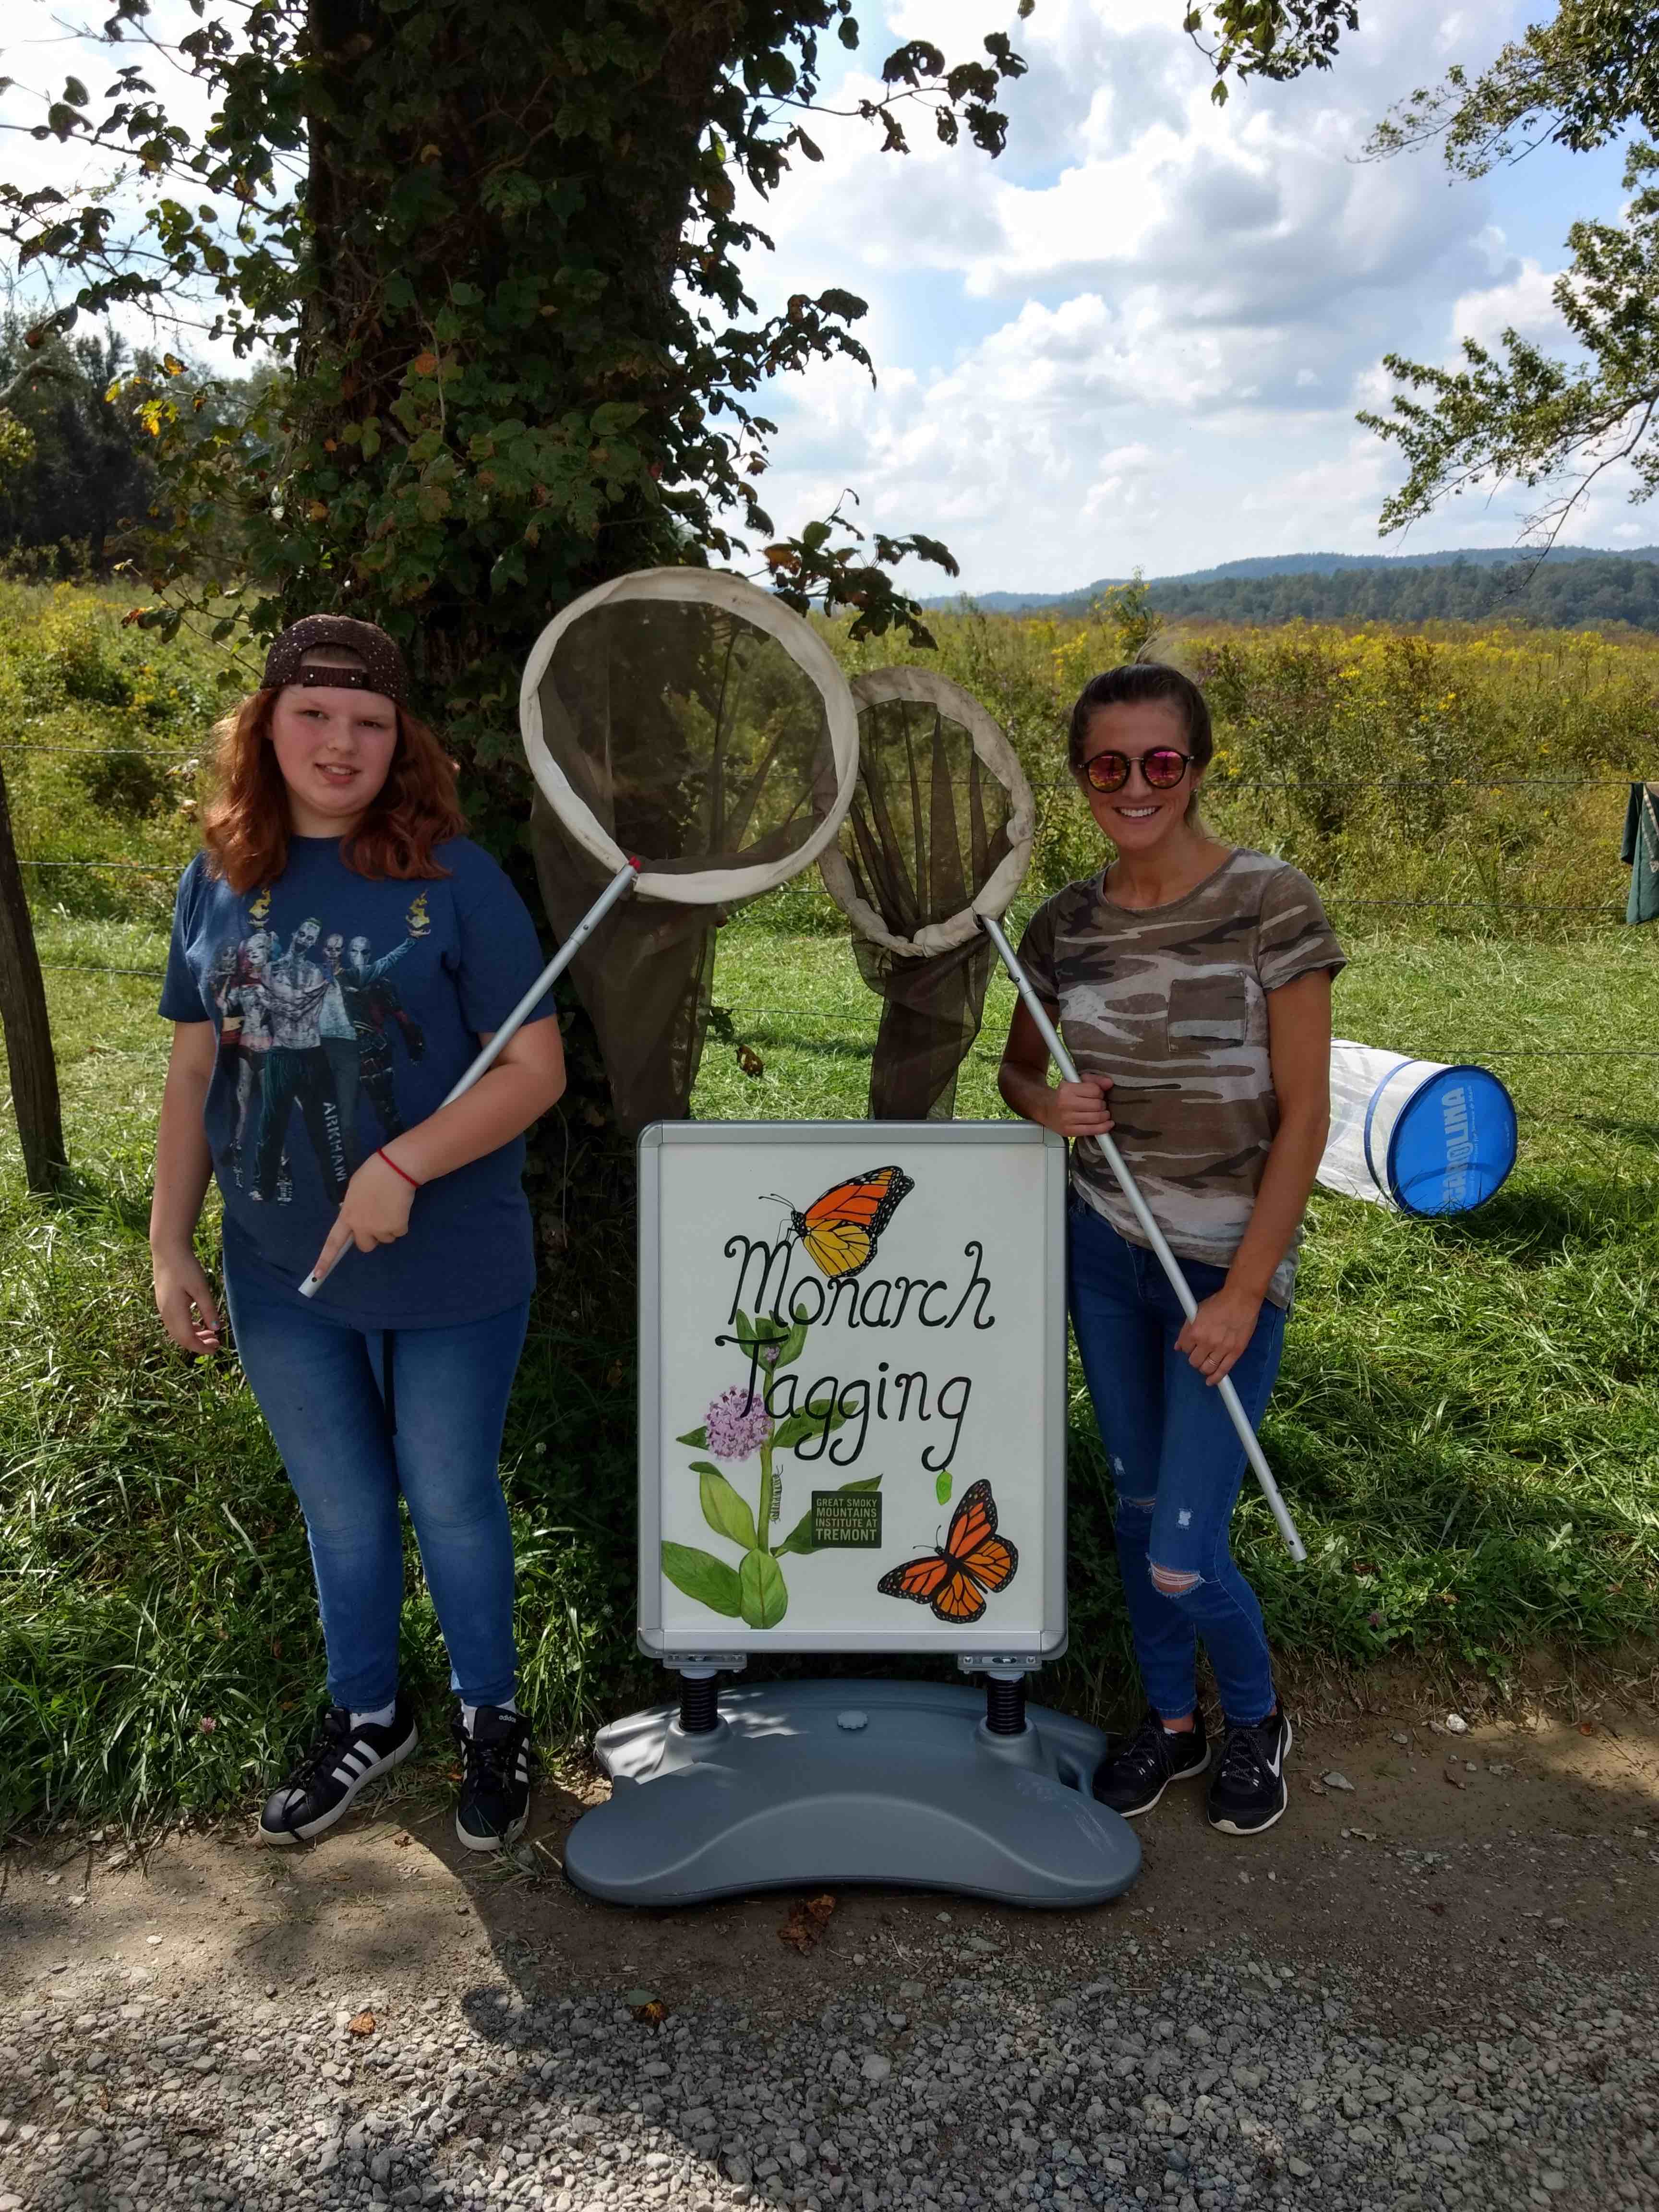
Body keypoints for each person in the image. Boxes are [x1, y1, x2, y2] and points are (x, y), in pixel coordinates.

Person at [149, 614, 567, 1853]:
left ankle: (494, 1719)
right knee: (340, 1510)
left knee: (448, 1499)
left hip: (451, 1262)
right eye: (315, 716)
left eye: (371, 723)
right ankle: (368, 1717)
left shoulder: (456, 879)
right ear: (266, 727)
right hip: (279, 1268)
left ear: (403, 743)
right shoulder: (218, 875)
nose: (342, 743)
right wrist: (170, 1246)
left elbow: (533, 1068)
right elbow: (190, 1076)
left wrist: (404, 1161)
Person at [998, 662, 1342, 1838]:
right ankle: (1172, 1722)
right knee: (1140, 1514)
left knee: (1186, 1552)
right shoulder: (1063, 925)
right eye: (1109, 765)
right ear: (1084, 775)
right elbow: (1017, 1069)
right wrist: (1050, 1109)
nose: (1135, 786)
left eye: (1161, 762)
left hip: (1227, 1268)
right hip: (1106, 1252)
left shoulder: (1272, 904)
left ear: (1196, 767)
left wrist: (1244, 1293)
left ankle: (1254, 1716)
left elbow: (1308, 1118)